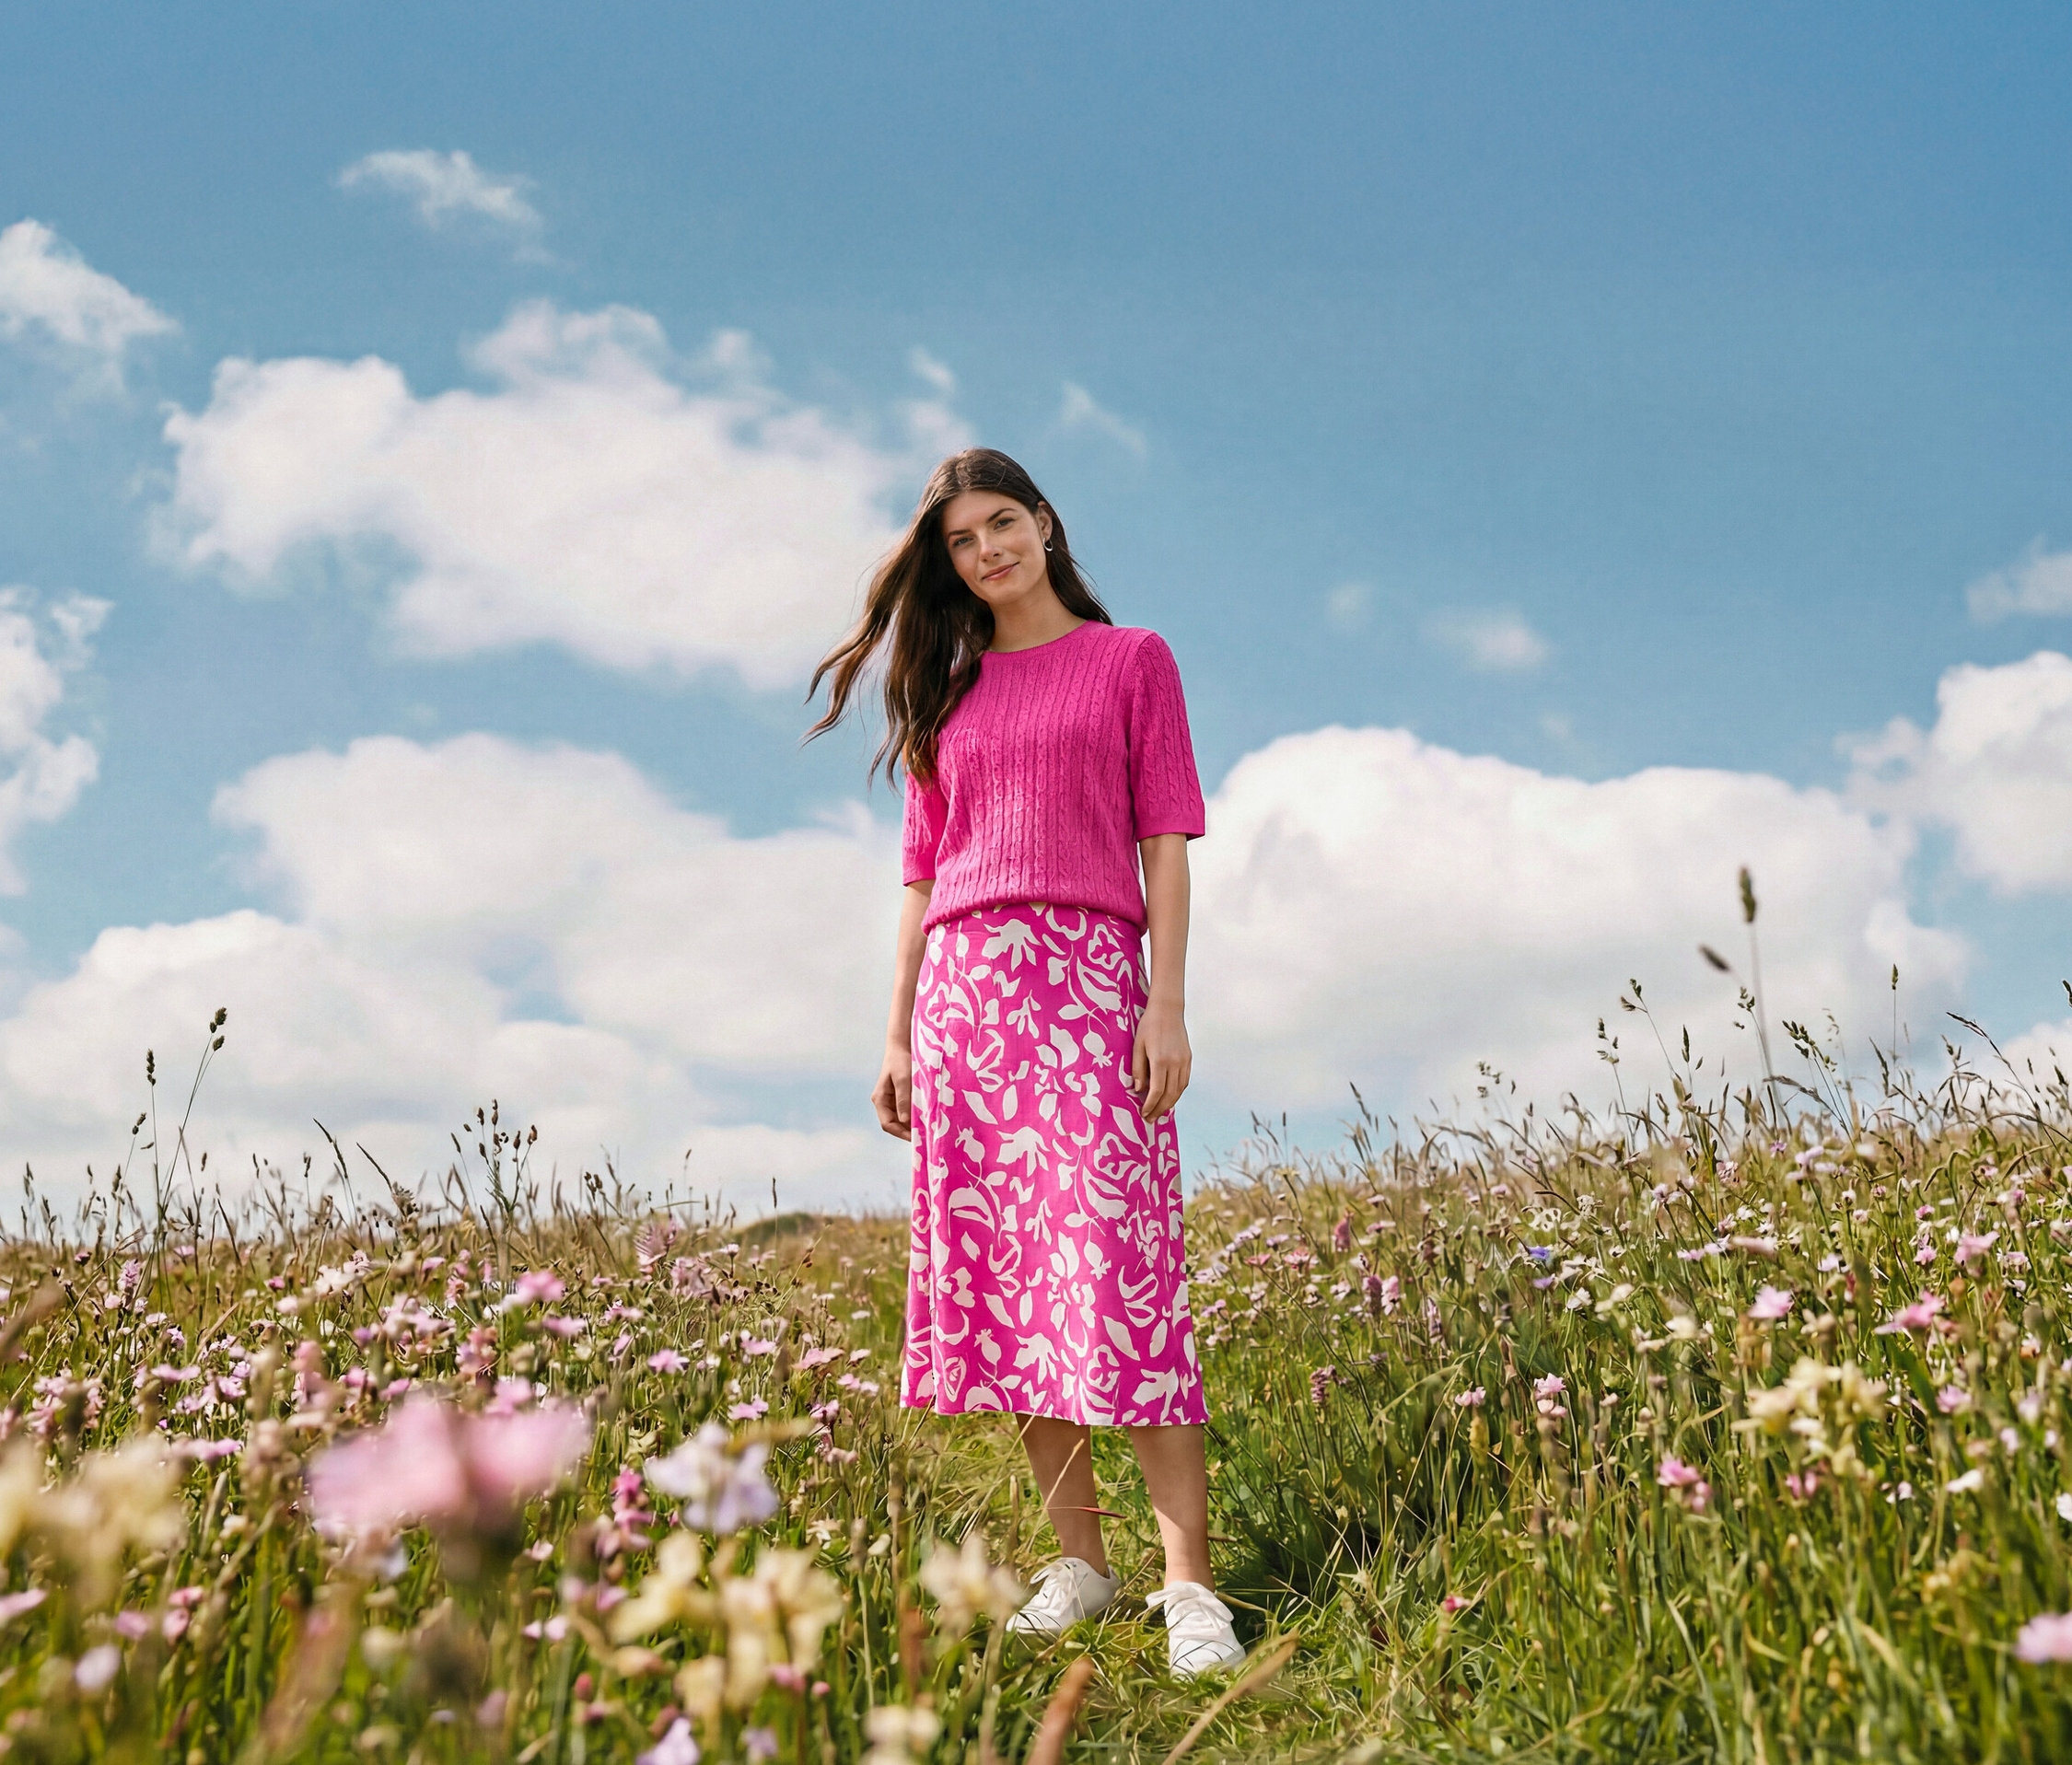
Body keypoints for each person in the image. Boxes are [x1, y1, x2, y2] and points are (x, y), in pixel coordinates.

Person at [808, 448, 1242, 1677]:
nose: (987, 548)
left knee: (1123, 1278)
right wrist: (896, 1031)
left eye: (1004, 521)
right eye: (962, 539)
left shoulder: (1130, 660)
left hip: (1091, 986)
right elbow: (921, 879)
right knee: (1010, 1293)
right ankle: (1081, 1565)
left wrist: (1166, 1001)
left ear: (1045, 522)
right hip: (963, 1002)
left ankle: (1189, 1586)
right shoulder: (947, 692)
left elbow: (1165, 838)